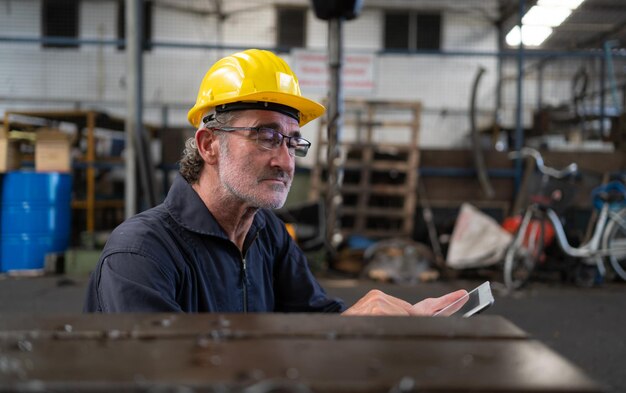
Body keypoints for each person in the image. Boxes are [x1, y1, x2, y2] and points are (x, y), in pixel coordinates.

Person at [84, 49, 466, 315]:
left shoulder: (266, 233)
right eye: (265, 136)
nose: (284, 161)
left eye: (292, 141)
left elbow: (311, 317)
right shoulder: (141, 254)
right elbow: (163, 376)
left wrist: (385, 323)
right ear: (209, 144)